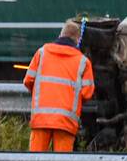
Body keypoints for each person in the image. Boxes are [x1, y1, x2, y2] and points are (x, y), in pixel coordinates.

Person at [23, 19, 95, 152]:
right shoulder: (83, 62)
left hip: (41, 119)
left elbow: (28, 81)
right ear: (77, 39)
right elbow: (87, 93)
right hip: (65, 122)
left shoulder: (42, 53)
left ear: (60, 34)